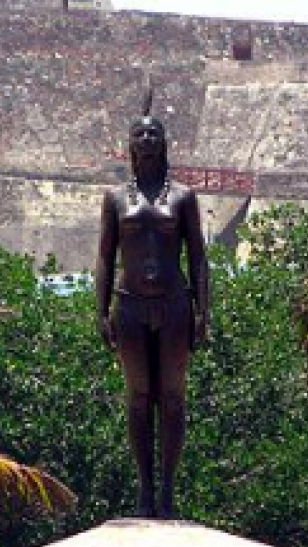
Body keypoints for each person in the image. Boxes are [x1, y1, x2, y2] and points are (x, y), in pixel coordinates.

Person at [95, 113, 210, 519]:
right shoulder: (114, 198)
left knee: (173, 399)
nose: (146, 139)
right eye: (139, 133)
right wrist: (100, 311)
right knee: (140, 398)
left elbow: (197, 256)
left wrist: (203, 310)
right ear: (130, 143)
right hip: (129, 304)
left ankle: (167, 491)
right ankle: (144, 490)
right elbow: (106, 256)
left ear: (163, 143)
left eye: (153, 134)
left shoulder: (182, 197)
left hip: (174, 303)